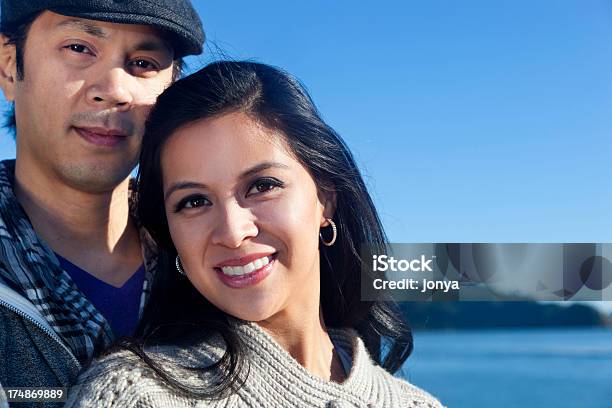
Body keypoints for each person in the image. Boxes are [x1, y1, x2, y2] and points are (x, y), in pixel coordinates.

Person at [66, 61, 444, 407]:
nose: (232, 232)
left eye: (262, 185)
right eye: (194, 202)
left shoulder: (416, 404)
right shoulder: (134, 396)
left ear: (325, 199)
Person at [0, 0, 204, 401]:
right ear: (9, 65)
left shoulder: (222, 246)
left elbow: (366, 289)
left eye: (144, 63)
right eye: (78, 48)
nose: (114, 91)